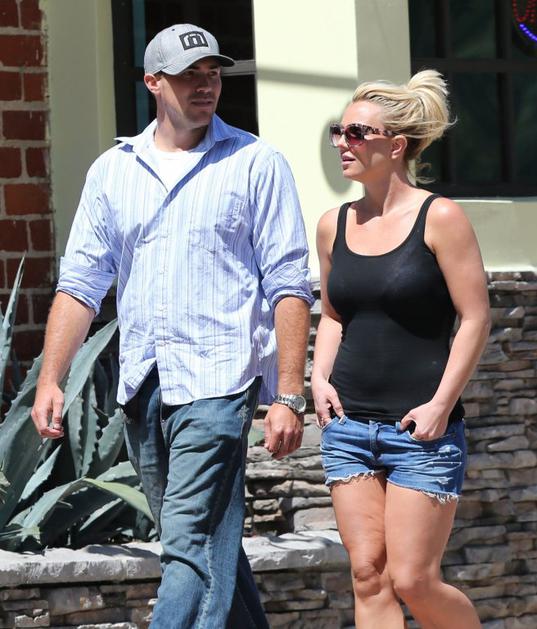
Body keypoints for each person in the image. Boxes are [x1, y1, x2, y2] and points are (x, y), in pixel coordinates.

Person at [31, 23, 313, 629]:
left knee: (187, 542)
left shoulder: (256, 163)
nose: (205, 86)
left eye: (213, 74)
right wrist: (52, 378)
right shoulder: (113, 171)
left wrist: (289, 394)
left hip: (219, 381)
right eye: (189, 76)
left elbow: (289, 284)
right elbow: (81, 284)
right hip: (144, 381)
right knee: (207, 543)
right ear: (153, 83)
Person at [312, 69, 490, 628]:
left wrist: (441, 404)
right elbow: (333, 314)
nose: (343, 143)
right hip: (348, 429)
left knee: (414, 579)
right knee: (369, 573)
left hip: (421, 433)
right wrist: (318, 377)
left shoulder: (441, 217)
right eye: (339, 131)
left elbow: (475, 317)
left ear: (396, 146)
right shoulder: (333, 224)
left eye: (357, 133)